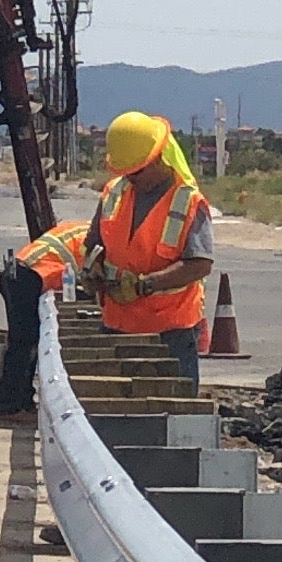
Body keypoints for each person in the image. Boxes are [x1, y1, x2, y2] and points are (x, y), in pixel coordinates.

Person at [84, 113, 214, 386]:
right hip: (117, 324)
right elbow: (94, 243)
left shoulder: (188, 201)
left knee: (172, 416)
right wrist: (92, 269)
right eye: (125, 173)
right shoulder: (114, 193)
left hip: (170, 330)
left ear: (156, 159)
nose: (130, 179)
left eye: (137, 171)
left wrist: (146, 284)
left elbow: (200, 264)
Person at [0, 211, 93, 421]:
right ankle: (10, 405)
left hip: (17, 274)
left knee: (23, 342)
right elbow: (94, 278)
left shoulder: (80, 228)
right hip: (28, 278)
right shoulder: (96, 238)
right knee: (25, 344)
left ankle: (20, 401)